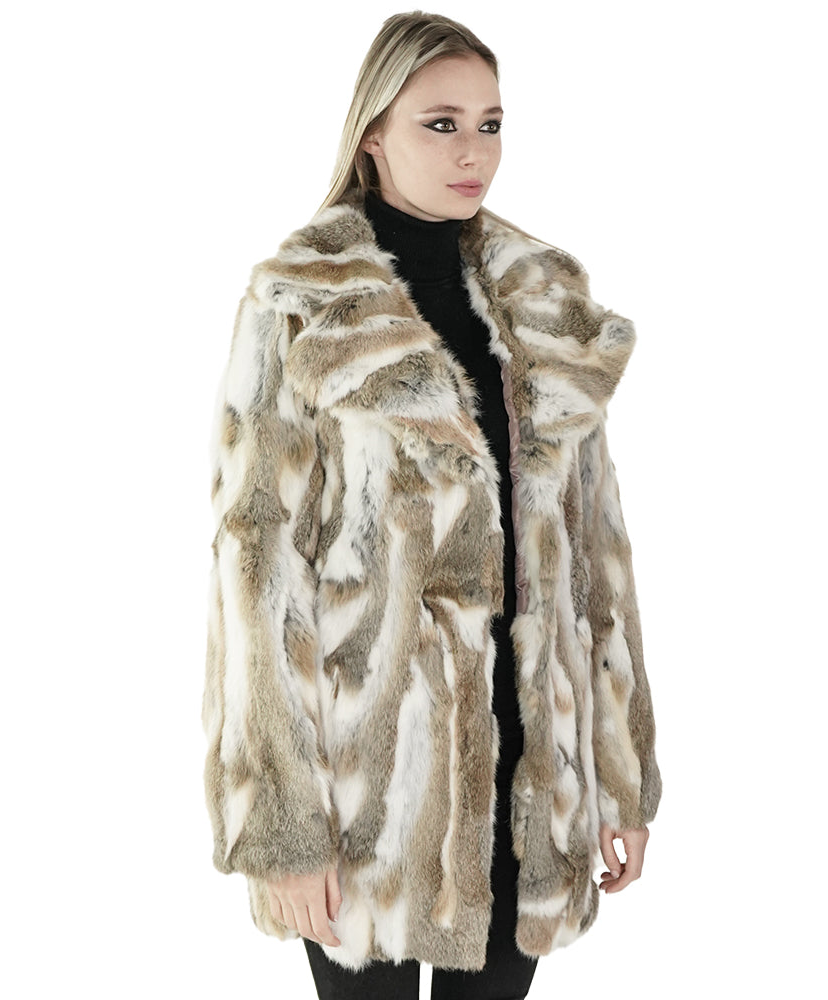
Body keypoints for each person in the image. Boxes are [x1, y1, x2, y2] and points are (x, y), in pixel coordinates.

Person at [202, 12, 662, 1000]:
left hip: (530, 780)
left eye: (491, 124)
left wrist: (620, 775)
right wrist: (282, 826)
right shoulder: (302, 304)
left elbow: (598, 556)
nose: (473, 152)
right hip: (366, 782)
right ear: (373, 132)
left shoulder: (546, 303)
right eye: (441, 124)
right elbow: (257, 572)